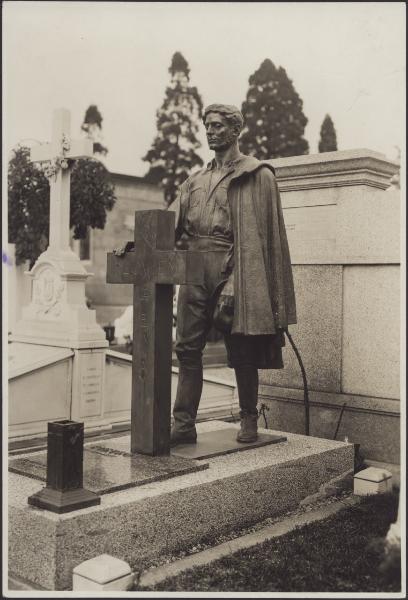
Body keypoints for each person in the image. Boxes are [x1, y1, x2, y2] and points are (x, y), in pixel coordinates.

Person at [168, 103, 297, 445]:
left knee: (242, 348)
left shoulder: (257, 175)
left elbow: (262, 241)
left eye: (216, 126)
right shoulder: (195, 180)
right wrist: (138, 241)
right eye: (207, 126)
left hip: (235, 267)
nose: (209, 131)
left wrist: (239, 281)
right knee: (186, 349)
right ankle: (183, 424)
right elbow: (167, 222)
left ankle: (248, 418)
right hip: (194, 267)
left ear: (235, 130)